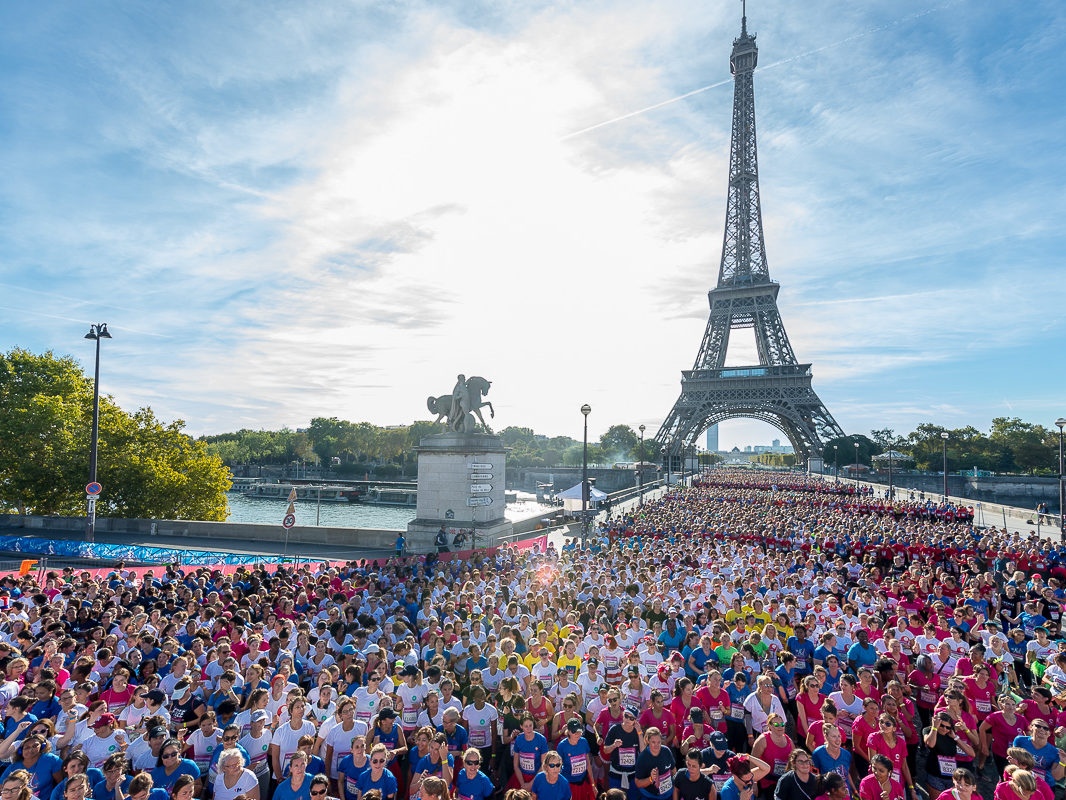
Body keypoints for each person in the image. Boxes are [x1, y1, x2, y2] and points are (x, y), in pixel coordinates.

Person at [922, 712, 976, 798]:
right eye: (942, 725)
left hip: (951, 777)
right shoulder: (929, 730)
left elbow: (972, 754)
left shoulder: (951, 736)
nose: (944, 729)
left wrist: (956, 738)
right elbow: (930, 744)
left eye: (948, 727)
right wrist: (934, 728)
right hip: (935, 775)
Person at [633, 728, 674, 800]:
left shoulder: (666, 751)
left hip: (668, 794)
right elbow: (638, 783)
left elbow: (673, 769)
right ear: (648, 741)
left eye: (659, 742)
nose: (656, 745)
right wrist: (651, 779)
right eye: (653, 742)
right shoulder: (642, 758)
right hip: (650, 796)